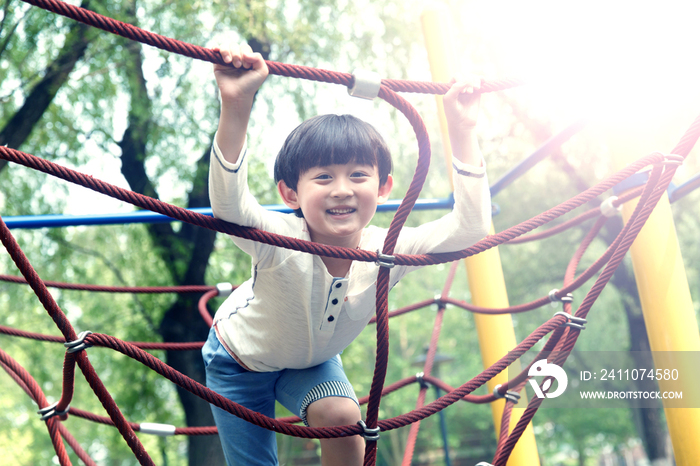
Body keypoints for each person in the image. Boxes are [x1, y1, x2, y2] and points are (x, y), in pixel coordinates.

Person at [202, 42, 491, 466]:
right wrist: (237, 103)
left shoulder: (388, 249)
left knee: (342, 418)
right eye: (323, 177)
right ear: (290, 193)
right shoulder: (280, 237)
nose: (342, 189)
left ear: (384, 187)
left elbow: (469, 228)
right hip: (239, 363)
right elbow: (229, 207)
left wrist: (462, 131)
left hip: (313, 362)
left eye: (358, 175)